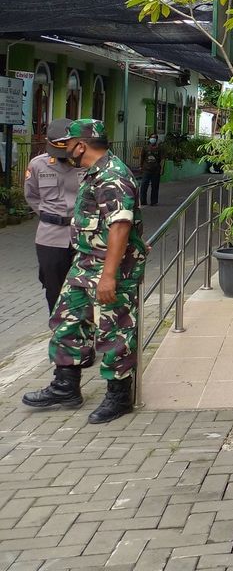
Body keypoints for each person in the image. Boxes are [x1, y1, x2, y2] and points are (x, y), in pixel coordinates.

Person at [21, 119, 147, 424]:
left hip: (108, 268)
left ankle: (118, 396)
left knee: (114, 330)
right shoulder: (94, 173)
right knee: (66, 319)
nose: (63, 152)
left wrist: (109, 276)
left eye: (66, 145)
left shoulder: (112, 176)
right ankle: (66, 385)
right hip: (85, 263)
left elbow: (120, 226)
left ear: (81, 145)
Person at [24, 118, 86, 318]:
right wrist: (49, 215)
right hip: (50, 237)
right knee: (53, 289)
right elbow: (31, 195)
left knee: (83, 287)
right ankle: (60, 334)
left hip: (83, 235)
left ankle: (84, 336)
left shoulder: (86, 165)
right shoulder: (38, 165)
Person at [140, 134, 163, 206]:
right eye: (151, 138)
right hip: (146, 169)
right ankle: (143, 201)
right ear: (149, 139)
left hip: (156, 170)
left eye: (154, 138)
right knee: (144, 185)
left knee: (155, 186)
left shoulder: (159, 148)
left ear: (156, 140)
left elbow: (162, 159)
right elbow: (142, 158)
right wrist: (141, 167)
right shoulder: (145, 148)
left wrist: (162, 168)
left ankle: (154, 201)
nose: (153, 139)